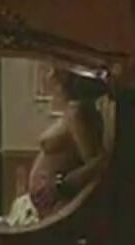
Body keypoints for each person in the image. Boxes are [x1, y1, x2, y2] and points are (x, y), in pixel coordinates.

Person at [28, 68, 108, 219]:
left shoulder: (77, 112)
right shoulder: (72, 110)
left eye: (55, 70)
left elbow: (97, 164)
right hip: (52, 207)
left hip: (62, 204)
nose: (50, 75)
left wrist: (60, 187)